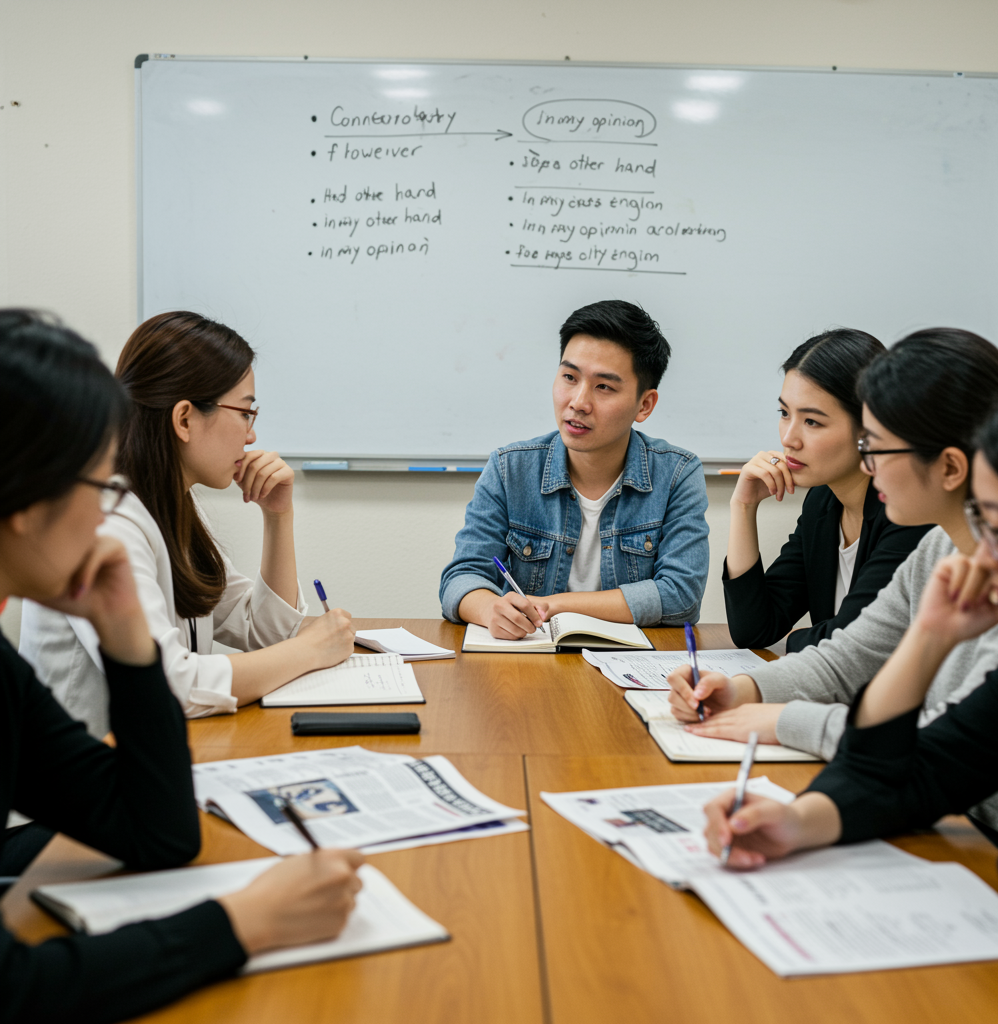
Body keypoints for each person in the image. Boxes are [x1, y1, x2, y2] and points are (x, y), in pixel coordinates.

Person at [0, 310, 364, 1022]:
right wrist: (241, 924)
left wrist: (130, 642)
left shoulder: (166, 514)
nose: (106, 505)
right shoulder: (127, 521)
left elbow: (160, 833)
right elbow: (18, 993)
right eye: (95, 481)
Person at [668, 328, 998, 839]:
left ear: (950, 466)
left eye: (875, 446)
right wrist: (743, 690)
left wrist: (779, 719)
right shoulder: (938, 549)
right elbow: (848, 658)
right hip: (949, 825)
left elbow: (931, 746)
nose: (867, 461)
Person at [20, 311, 355, 738]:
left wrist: (278, 516)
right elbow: (168, 686)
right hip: (82, 787)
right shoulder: (106, 522)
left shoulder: (166, 506)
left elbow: (263, 633)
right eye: (245, 413)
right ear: (184, 419)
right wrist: (309, 650)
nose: (252, 436)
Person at [439, 299, 709, 638]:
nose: (578, 402)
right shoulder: (510, 469)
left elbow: (681, 596)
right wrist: (489, 608)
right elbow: (461, 578)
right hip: (528, 665)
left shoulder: (676, 474)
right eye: (569, 377)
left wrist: (554, 605)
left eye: (604, 387)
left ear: (645, 404)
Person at [723, 328, 930, 653]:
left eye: (812, 422)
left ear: (869, 428)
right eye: (784, 413)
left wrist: (797, 640)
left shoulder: (908, 511)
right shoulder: (822, 502)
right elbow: (754, 628)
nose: (789, 438)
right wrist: (743, 506)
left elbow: (853, 642)